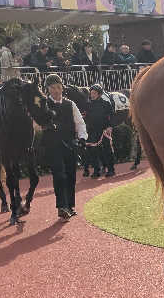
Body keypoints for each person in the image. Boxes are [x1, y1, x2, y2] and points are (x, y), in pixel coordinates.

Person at [44, 74, 87, 220]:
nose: (56, 90)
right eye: (52, 88)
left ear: (62, 87)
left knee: (70, 176)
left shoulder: (70, 104)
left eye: (58, 87)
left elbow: (80, 123)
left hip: (70, 144)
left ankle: (69, 205)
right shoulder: (44, 105)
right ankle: (61, 206)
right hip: (52, 146)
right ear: (48, 89)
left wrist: (82, 138)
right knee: (59, 175)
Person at [84, 83, 115, 178]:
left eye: (94, 93)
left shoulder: (106, 104)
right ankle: (96, 171)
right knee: (93, 151)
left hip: (104, 131)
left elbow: (112, 117)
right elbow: (85, 117)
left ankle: (111, 170)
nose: (92, 95)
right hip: (92, 131)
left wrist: (110, 126)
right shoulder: (88, 105)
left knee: (107, 150)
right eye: (91, 93)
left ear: (99, 94)